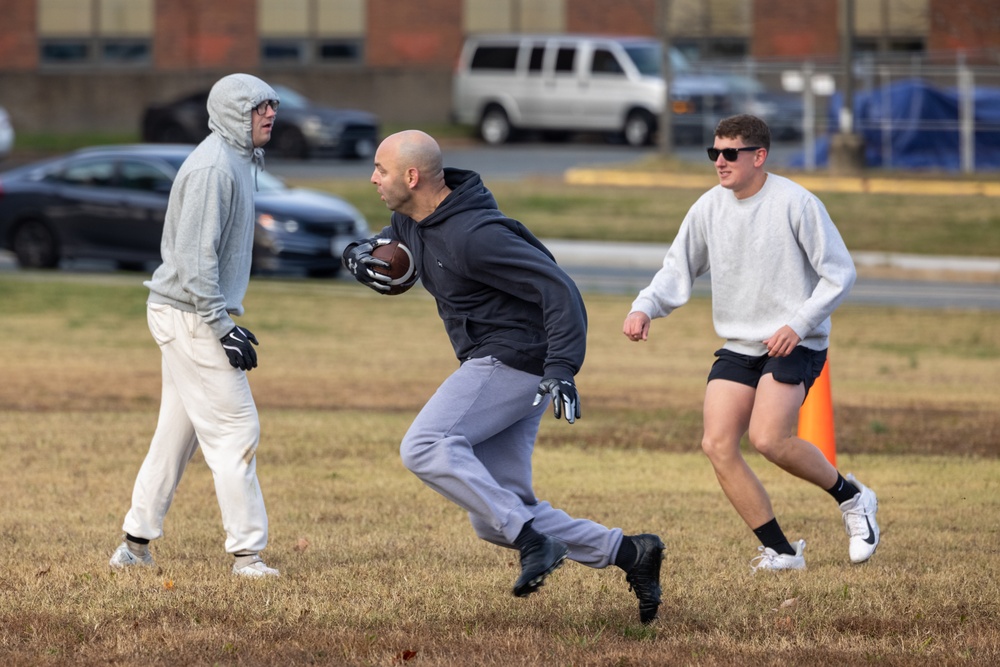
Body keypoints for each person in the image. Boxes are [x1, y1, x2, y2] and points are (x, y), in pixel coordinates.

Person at [343, 130, 665, 624]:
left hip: (515, 360)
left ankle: (534, 541)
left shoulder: (475, 235)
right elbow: (389, 246)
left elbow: (559, 290)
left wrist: (562, 369)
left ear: (412, 176)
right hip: (507, 364)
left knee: (425, 446)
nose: (373, 178)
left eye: (380, 170)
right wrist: (361, 253)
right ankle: (630, 553)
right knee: (497, 515)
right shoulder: (412, 219)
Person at [622, 114, 879, 572]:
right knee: (717, 444)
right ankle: (781, 551)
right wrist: (645, 306)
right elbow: (676, 269)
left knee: (768, 438)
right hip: (741, 343)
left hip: (796, 341)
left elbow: (840, 274)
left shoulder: (796, 203)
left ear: (758, 157)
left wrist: (797, 325)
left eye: (730, 153)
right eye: (713, 153)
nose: (719, 162)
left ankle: (852, 498)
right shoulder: (708, 207)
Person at [109, 73, 281, 578]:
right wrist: (221, 324)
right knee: (236, 429)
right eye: (258, 107)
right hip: (190, 313)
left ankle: (135, 544)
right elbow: (193, 260)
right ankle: (247, 556)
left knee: (176, 436)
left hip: (187, 312)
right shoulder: (212, 168)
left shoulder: (237, 158)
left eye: (272, 104)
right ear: (233, 114)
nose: (270, 114)